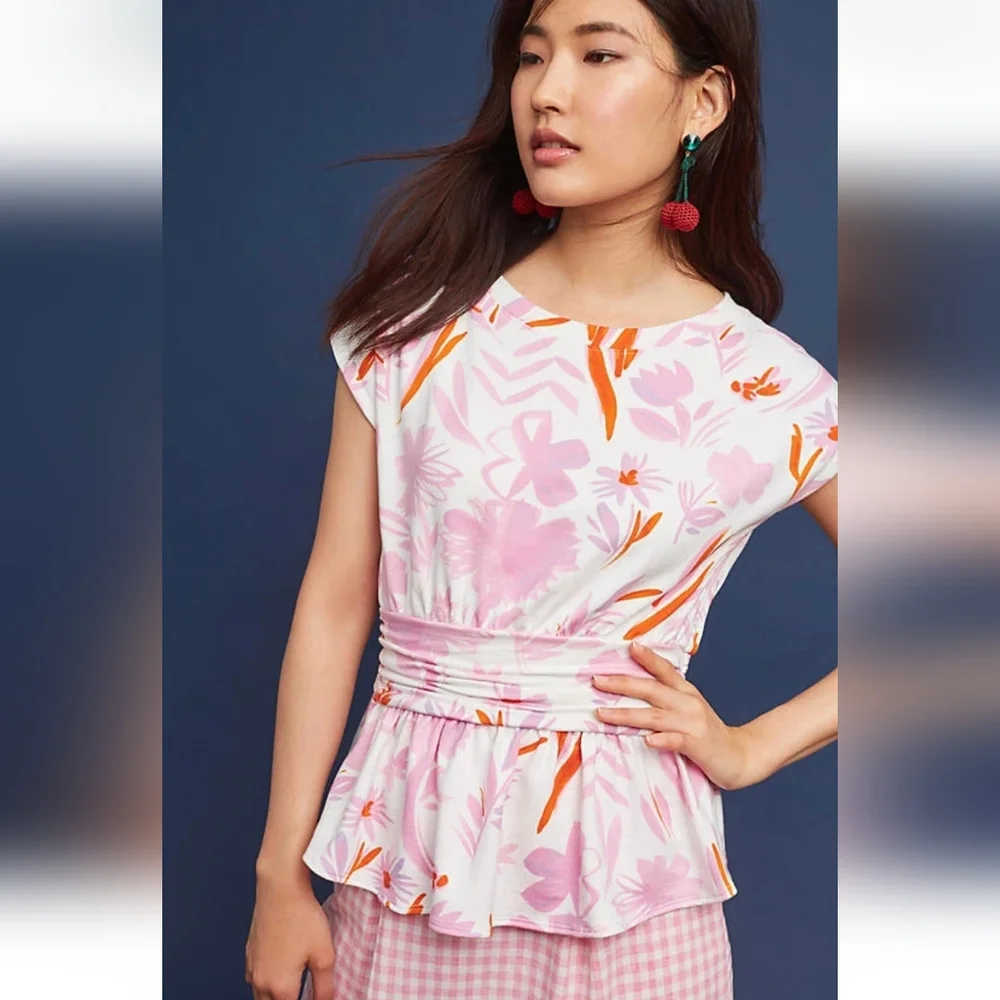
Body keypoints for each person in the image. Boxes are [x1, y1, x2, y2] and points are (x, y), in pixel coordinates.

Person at [244, 0, 838, 997]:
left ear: (704, 101)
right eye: (530, 57)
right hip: (405, 864)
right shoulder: (412, 330)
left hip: (632, 893)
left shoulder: (762, 383)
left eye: (598, 54)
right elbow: (336, 602)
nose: (547, 92)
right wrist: (279, 874)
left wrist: (751, 747)